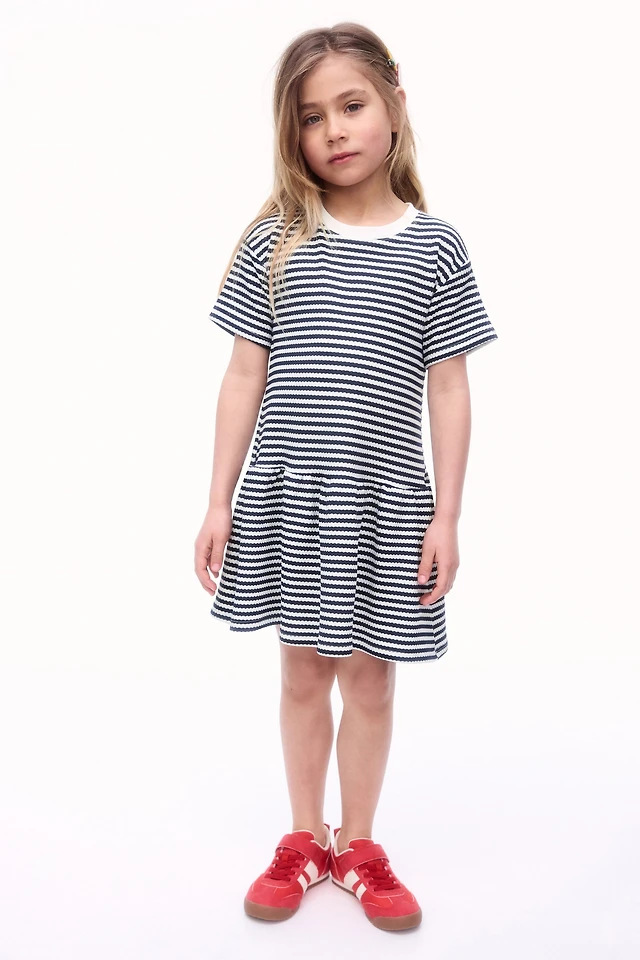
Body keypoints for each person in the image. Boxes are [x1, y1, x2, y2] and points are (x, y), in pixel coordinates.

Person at [194, 22, 498, 932]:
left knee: (369, 679)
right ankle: (304, 838)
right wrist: (217, 500)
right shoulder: (276, 240)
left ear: (395, 106)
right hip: (292, 500)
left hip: (386, 504)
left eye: (352, 105)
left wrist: (448, 515)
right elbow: (243, 375)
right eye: (311, 116)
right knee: (301, 672)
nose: (333, 130)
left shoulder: (435, 246)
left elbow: (450, 386)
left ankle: (358, 845)